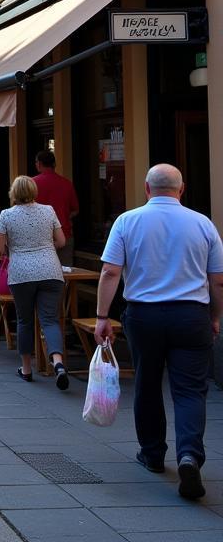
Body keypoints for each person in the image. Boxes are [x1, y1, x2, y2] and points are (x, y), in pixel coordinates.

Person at [94, 164, 223, 500]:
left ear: (146, 189)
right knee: (191, 391)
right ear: (182, 190)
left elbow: (110, 272)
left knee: (147, 384)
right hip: (190, 315)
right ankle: (189, 455)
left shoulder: (127, 221)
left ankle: (152, 455)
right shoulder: (203, 224)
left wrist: (102, 316)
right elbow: (218, 279)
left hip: (144, 316)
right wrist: (215, 316)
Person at [0, 176, 68, 388]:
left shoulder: (7, 215)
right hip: (50, 270)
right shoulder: (48, 210)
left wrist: (13, 247)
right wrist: (44, 245)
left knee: (24, 321)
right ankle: (58, 363)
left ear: (13, 193)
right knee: (50, 320)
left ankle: (26, 368)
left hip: (22, 273)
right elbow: (61, 241)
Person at [33, 150, 80, 265]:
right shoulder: (66, 183)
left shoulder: (32, 184)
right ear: (55, 164)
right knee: (65, 273)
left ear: (38, 164)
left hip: (39, 236)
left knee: (41, 274)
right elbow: (75, 210)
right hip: (64, 233)